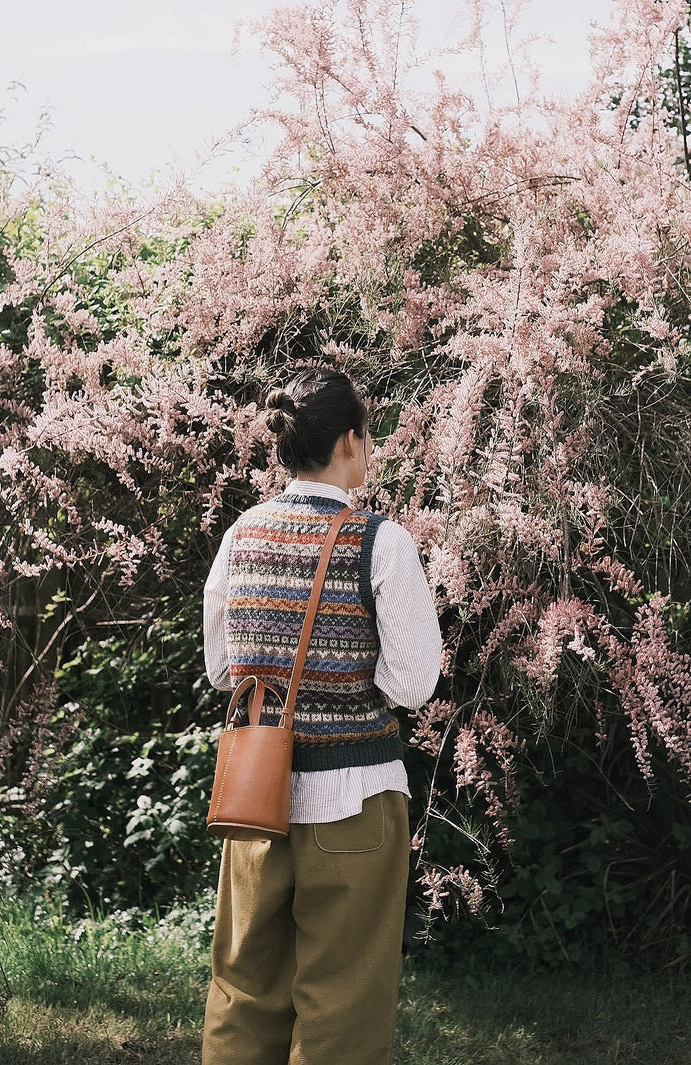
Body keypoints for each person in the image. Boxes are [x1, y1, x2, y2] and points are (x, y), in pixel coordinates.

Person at [201, 365, 442, 1065]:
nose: (371, 449)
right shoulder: (380, 543)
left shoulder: (241, 535)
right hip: (354, 805)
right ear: (346, 440)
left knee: (243, 993)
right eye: (367, 436)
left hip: (254, 804)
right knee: (342, 1010)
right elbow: (414, 683)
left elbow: (224, 670)